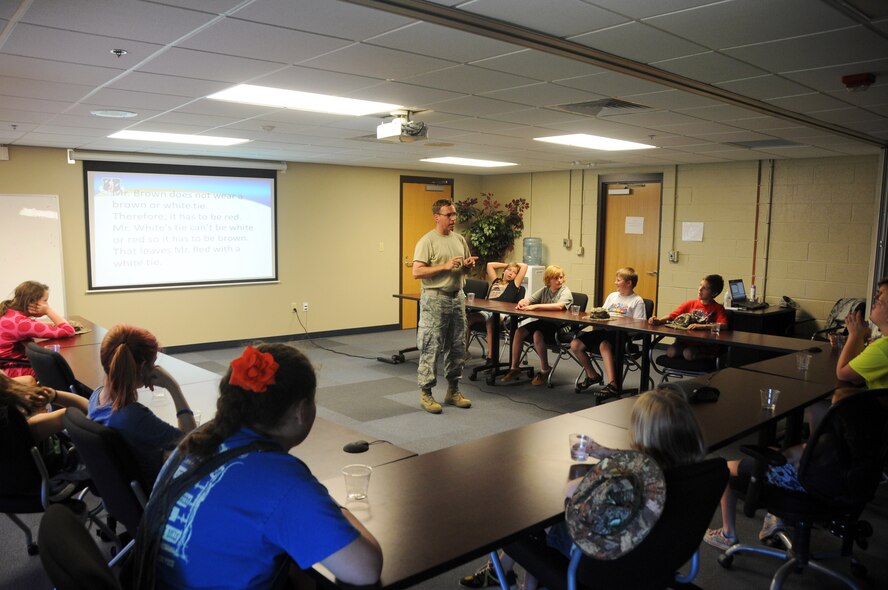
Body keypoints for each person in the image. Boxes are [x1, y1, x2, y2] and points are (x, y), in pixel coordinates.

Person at [145, 344, 383, 590]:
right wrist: (332, 507)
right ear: (301, 411)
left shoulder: (198, 440)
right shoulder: (281, 481)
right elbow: (365, 570)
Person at [460, 388, 705, 588]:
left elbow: (572, 498)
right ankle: (515, 575)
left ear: (643, 437)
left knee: (532, 521)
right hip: (654, 557)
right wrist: (605, 453)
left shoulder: (629, 483)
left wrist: (584, 482)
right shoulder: (689, 475)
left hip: (601, 567)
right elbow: (644, 462)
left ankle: (511, 574)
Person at [704, 387, 863, 551]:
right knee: (776, 453)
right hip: (839, 491)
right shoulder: (860, 447)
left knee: (725, 467)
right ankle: (774, 519)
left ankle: (727, 534)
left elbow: (787, 456)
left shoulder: (824, 443)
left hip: (807, 488)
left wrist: (782, 454)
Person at [87, 324, 195, 484]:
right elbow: (191, 443)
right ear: (144, 367)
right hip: (157, 491)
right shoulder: (133, 417)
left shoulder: (96, 396)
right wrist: (174, 388)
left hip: (123, 489)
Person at [412, 199, 478, 414]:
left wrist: (467, 266)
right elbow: (417, 272)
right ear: (437, 216)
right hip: (435, 298)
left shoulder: (459, 239)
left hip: (457, 297)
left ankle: (453, 390)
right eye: (449, 215)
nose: (454, 218)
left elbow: (463, 271)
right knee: (431, 346)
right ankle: (427, 393)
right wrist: (445, 266)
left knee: (457, 346)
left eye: (454, 214)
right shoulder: (427, 241)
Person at [570, 267, 646, 398]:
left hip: (622, 335)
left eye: (618, 280)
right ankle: (592, 375)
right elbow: (602, 314)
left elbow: (640, 325)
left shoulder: (637, 301)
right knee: (575, 344)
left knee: (604, 345)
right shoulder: (612, 296)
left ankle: (613, 385)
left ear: (628, 283)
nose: (615, 283)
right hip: (605, 330)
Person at [502, 265, 572, 386]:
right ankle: (514, 368)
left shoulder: (565, 291)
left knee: (537, 334)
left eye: (561, 277)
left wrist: (535, 306)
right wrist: (522, 303)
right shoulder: (545, 290)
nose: (559, 280)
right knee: (519, 331)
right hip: (544, 322)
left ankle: (545, 369)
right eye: (555, 278)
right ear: (548, 280)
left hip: (559, 325)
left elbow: (559, 306)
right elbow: (529, 300)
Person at [0, 281, 75, 378]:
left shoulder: (10, 312)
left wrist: (53, 324)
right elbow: (69, 331)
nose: (47, 304)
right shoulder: (22, 323)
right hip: (8, 370)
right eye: (45, 301)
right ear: (31, 302)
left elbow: (29, 325)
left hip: (6, 365)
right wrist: (48, 311)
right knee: (56, 371)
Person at [648, 274, 728, 360]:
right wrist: (659, 320)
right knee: (671, 351)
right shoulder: (690, 304)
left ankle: (711, 357)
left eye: (705, 288)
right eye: (700, 285)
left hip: (704, 345)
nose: (700, 289)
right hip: (686, 342)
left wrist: (701, 326)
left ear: (714, 293)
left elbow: (724, 325)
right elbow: (672, 316)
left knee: (688, 353)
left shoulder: (718, 308)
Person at [465, 261, 528, 362]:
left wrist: (511, 265)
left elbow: (524, 266)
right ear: (503, 272)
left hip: (503, 314)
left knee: (491, 321)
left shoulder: (514, 285)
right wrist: (506, 265)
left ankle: (491, 357)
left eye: (514, 272)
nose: (510, 273)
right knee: (467, 319)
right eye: (508, 270)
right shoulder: (496, 281)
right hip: (487, 311)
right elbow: (490, 265)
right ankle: (464, 352)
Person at [836, 277, 888, 389]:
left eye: (880, 300)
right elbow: (859, 373)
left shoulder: (882, 348)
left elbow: (843, 374)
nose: (876, 297)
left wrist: (854, 335)